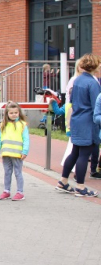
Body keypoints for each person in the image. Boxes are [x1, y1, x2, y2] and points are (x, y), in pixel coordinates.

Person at [57, 54, 101, 197]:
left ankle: (63, 181)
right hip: (88, 121)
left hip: (76, 118)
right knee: (84, 154)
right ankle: (80, 186)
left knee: (75, 151)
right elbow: (96, 105)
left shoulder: (77, 80)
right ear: (94, 66)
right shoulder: (93, 83)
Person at [0, 101, 30, 201]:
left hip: (17, 154)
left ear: (19, 112)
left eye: (16, 112)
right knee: (7, 172)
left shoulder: (22, 125)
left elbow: (26, 139)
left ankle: (20, 192)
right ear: (7, 114)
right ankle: (6, 191)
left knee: (18, 172)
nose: (14, 114)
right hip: (6, 154)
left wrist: (25, 151)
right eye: (11, 113)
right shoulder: (3, 125)